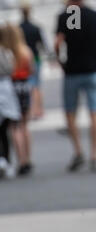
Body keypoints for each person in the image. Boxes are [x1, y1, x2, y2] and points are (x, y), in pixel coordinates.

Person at [55, 0, 96, 172]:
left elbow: (57, 43)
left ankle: (78, 150)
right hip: (92, 68)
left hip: (72, 71)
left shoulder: (65, 15)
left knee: (70, 112)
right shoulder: (93, 14)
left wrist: (61, 62)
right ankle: (95, 154)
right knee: (95, 111)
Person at [4, 24, 34, 177]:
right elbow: (32, 69)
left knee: (14, 127)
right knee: (25, 125)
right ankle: (27, 159)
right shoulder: (25, 51)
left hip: (11, 86)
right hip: (23, 86)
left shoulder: (6, 52)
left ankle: (20, 159)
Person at [0, 24, 21, 179]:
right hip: (6, 89)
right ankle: (7, 159)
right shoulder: (7, 53)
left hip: (5, 90)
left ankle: (4, 160)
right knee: (6, 130)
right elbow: (11, 69)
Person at [20, 4, 47, 120]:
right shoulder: (36, 27)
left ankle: (31, 110)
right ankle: (39, 110)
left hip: (23, 59)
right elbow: (42, 44)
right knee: (37, 85)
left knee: (29, 85)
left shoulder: (19, 28)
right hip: (35, 58)